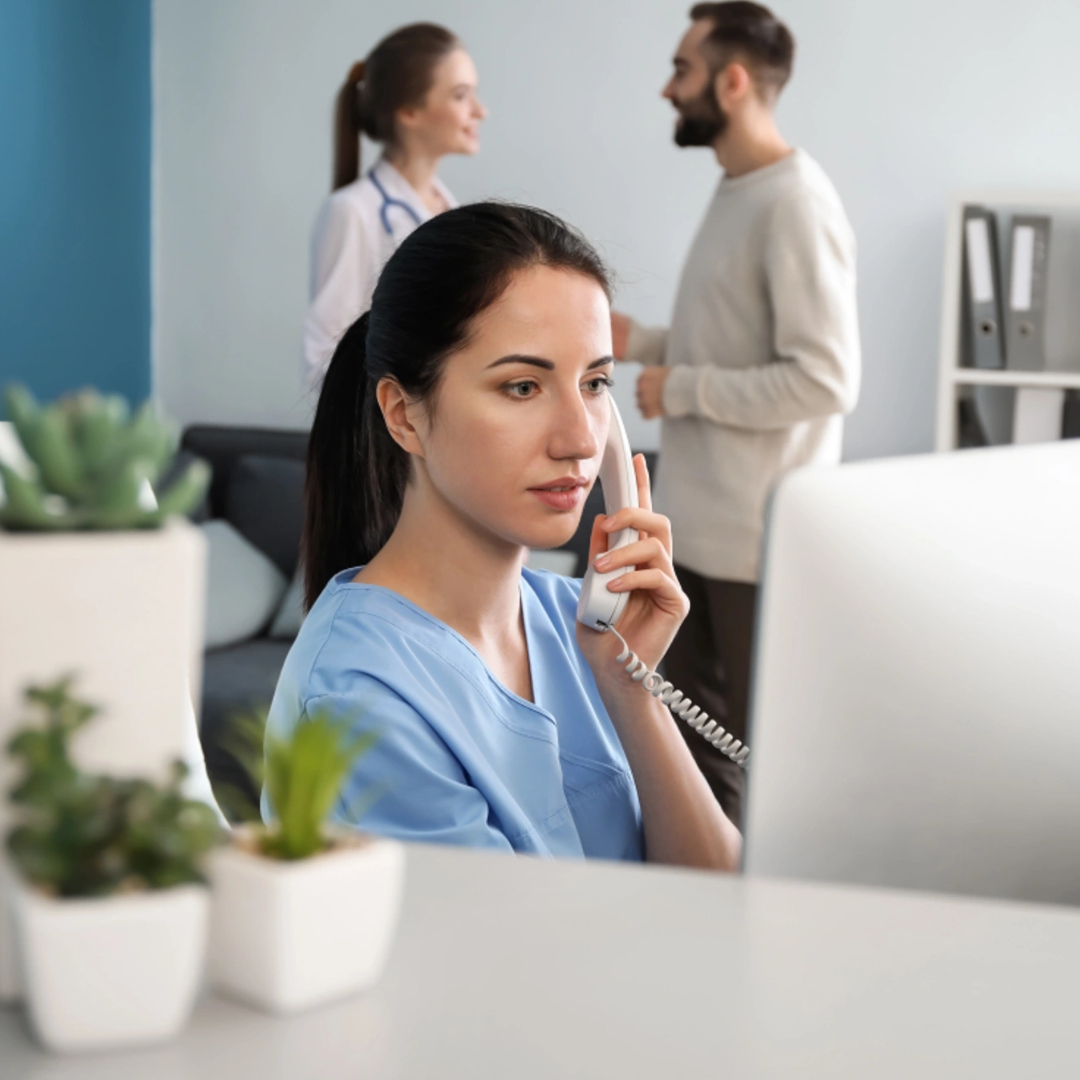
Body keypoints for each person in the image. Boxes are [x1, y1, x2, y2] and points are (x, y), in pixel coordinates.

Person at [266, 203, 742, 870]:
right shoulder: (358, 699)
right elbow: (511, 966)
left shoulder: (576, 625)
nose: (581, 438)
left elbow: (721, 895)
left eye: (596, 383)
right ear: (405, 416)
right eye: (523, 386)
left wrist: (632, 689)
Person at [611, 2, 860, 831]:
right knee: (693, 754)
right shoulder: (740, 191)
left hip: (755, 549)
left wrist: (678, 387)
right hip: (705, 539)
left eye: (681, 69)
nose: (664, 89)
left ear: (733, 80)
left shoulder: (796, 202)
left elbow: (825, 379)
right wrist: (643, 342)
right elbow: (738, 339)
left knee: (756, 765)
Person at [302, 23, 487, 387]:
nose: (481, 111)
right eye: (461, 96)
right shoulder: (352, 212)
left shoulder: (452, 212)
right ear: (409, 111)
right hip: (389, 433)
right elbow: (323, 362)